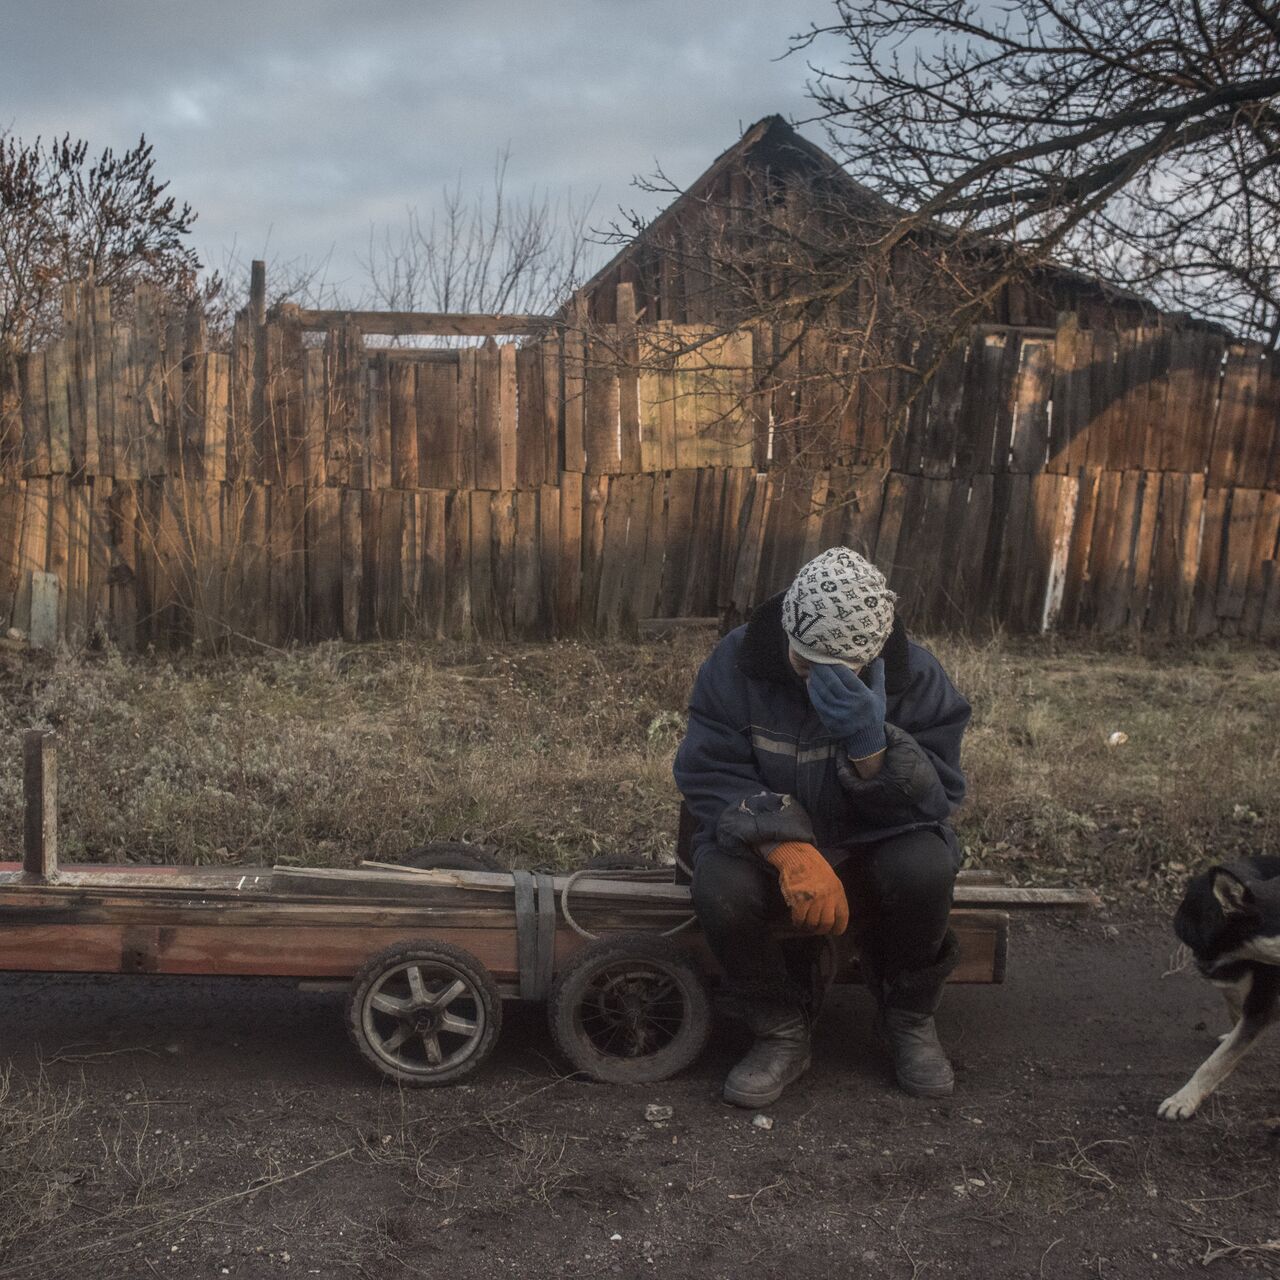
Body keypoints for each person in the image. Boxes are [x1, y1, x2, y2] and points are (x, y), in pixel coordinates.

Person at [673, 545, 971, 1107]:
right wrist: (784, 845)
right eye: (803, 662)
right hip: (761, 843)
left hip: (871, 839)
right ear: (787, 626)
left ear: (872, 655)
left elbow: (938, 798)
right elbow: (707, 772)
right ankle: (780, 1031)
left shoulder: (918, 677)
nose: (812, 680)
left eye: (833, 671)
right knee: (719, 887)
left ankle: (907, 1017)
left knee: (927, 867)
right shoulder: (736, 663)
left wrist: (871, 746)